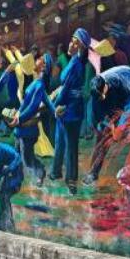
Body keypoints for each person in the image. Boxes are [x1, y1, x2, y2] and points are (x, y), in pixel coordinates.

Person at [83, 66, 130, 184]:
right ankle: (93, 173)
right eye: (99, 97)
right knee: (101, 141)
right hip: (113, 105)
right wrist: (106, 125)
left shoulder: (126, 85)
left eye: (102, 95)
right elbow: (97, 116)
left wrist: (120, 126)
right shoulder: (96, 94)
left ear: (106, 86)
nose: (102, 97)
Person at [49, 28, 88, 191]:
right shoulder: (73, 61)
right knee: (60, 141)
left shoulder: (76, 64)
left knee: (71, 145)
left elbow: (66, 90)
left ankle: (71, 179)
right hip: (66, 109)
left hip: (70, 110)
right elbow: (64, 86)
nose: (71, 44)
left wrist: (54, 104)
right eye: (72, 40)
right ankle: (56, 171)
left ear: (82, 47)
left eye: (76, 43)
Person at [9, 53, 52, 186]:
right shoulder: (35, 82)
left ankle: (40, 172)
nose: (36, 60)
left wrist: (19, 118)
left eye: (39, 60)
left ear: (43, 67)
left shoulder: (39, 85)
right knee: (17, 154)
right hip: (21, 127)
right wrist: (17, 112)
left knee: (27, 159)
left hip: (27, 128)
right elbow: (29, 103)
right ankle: (15, 178)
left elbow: (33, 107)